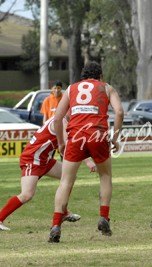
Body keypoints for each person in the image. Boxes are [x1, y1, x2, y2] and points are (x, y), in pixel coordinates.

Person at [48, 61, 124, 243]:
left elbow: (58, 118)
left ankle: (56, 225)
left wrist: (60, 143)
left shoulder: (72, 89)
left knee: (65, 182)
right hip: (97, 135)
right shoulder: (106, 88)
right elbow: (119, 112)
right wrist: (115, 137)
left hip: (75, 138)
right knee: (105, 176)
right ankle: (104, 217)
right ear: (100, 76)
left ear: (83, 76)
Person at [0, 117, 96, 231]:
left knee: (69, 177)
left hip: (44, 160)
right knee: (27, 194)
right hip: (32, 159)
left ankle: (63, 212)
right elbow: (69, 144)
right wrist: (88, 161)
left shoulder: (63, 120)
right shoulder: (62, 122)